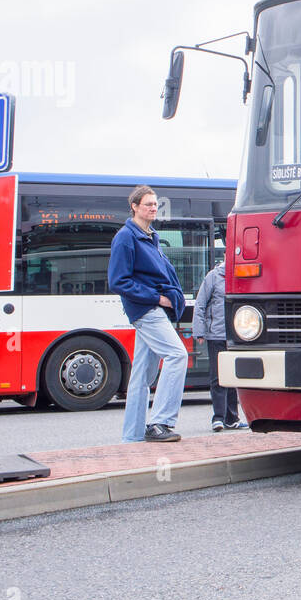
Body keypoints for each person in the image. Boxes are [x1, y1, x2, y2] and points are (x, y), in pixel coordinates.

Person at [107, 185, 187, 443]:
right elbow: (118, 281)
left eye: (155, 204)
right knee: (177, 355)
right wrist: (158, 298)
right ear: (134, 207)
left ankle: (131, 437)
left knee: (141, 376)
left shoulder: (150, 235)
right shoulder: (126, 237)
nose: (154, 208)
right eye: (148, 204)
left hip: (153, 309)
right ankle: (160, 422)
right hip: (147, 308)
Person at [193, 247, 244, 432]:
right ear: (224, 256)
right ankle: (218, 418)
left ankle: (233, 418)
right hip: (216, 336)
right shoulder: (213, 277)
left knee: (233, 378)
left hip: (237, 337)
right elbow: (200, 305)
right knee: (218, 378)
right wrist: (199, 332)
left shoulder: (241, 275)